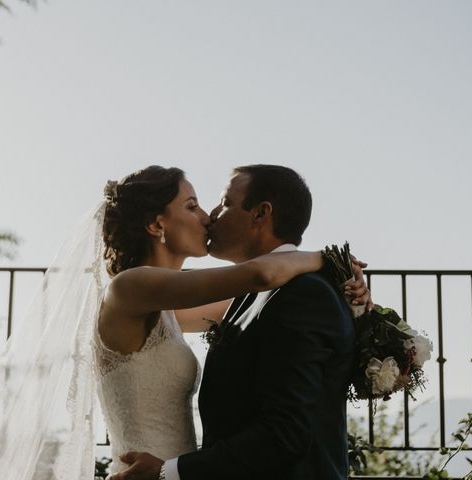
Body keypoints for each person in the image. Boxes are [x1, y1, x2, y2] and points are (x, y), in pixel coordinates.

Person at [95, 165, 369, 476]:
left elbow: (267, 300)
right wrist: (329, 258)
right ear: (158, 224)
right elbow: (260, 275)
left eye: (219, 203)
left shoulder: (172, 309)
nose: (207, 216)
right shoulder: (129, 288)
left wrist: (353, 296)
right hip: (142, 472)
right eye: (192, 206)